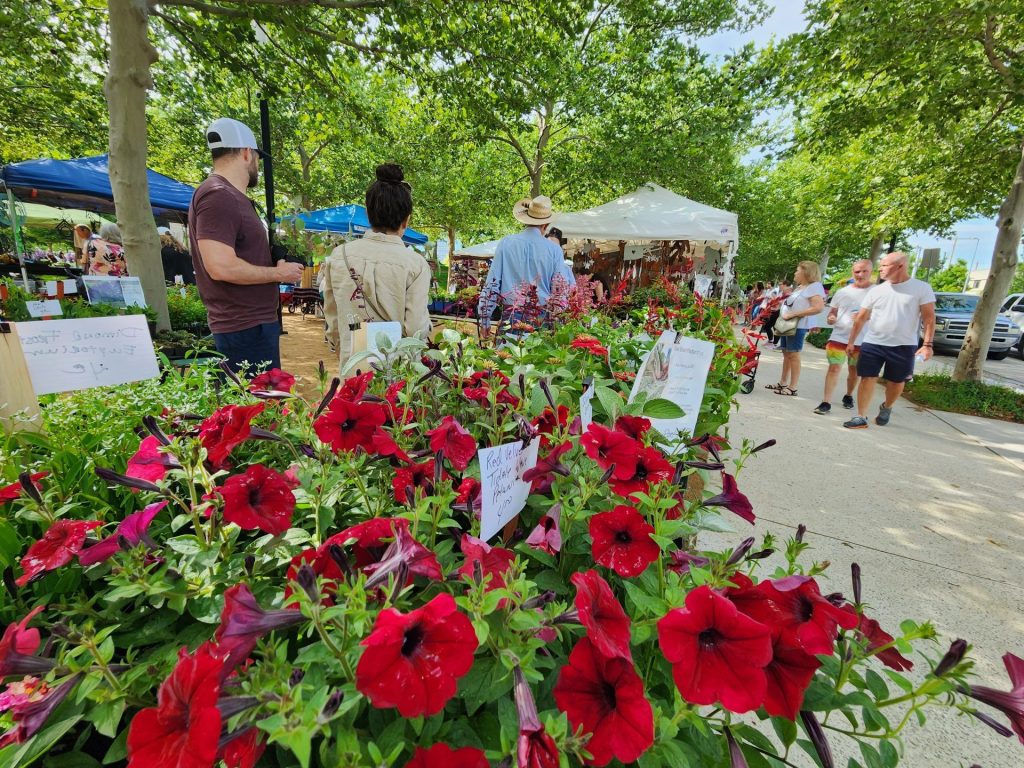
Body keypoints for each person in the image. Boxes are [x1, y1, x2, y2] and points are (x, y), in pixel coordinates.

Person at [188, 117, 304, 374]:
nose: (257, 165)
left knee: (263, 397)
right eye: (257, 158)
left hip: (250, 325)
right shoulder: (219, 195)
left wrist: (274, 260)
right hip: (244, 328)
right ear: (246, 153)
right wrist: (278, 274)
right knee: (254, 398)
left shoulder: (227, 195)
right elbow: (221, 267)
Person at [321, 163, 431, 372]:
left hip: (353, 364)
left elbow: (333, 316)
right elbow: (415, 329)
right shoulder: (416, 265)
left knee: (351, 395)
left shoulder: (339, 255)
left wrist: (340, 345)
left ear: (369, 215)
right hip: (396, 370)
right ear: (406, 219)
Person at [843, 252, 935, 429]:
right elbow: (861, 318)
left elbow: (929, 318)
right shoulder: (877, 290)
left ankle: (887, 406)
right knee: (867, 377)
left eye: (885, 265)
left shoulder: (921, 288)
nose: (880, 269)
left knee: (896, 382)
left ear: (900, 266)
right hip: (873, 342)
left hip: (904, 345)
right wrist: (851, 341)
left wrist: (927, 345)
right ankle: (861, 416)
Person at [477, 195, 576, 337]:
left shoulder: (506, 243)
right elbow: (559, 290)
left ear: (526, 220)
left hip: (510, 316)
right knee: (537, 351)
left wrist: (485, 319)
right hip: (540, 318)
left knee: (506, 351)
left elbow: (492, 284)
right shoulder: (554, 250)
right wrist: (557, 320)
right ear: (545, 225)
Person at [814, 260, 873, 414]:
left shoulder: (876, 292)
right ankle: (826, 402)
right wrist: (831, 318)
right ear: (852, 272)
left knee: (854, 370)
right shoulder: (842, 292)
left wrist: (865, 316)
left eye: (864, 271)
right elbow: (832, 312)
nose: (860, 275)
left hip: (863, 339)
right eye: (857, 271)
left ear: (871, 272)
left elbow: (883, 314)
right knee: (834, 368)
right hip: (839, 336)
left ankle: (848, 395)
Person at [766, 262, 826, 396]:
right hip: (788, 325)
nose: (795, 273)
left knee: (793, 354)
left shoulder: (813, 287)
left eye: (797, 270)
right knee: (787, 353)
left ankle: (793, 387)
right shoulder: (800, 287)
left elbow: (818, 307)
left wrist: (794, 314)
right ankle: (783, 382)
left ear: (806, 272)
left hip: (797, 325)